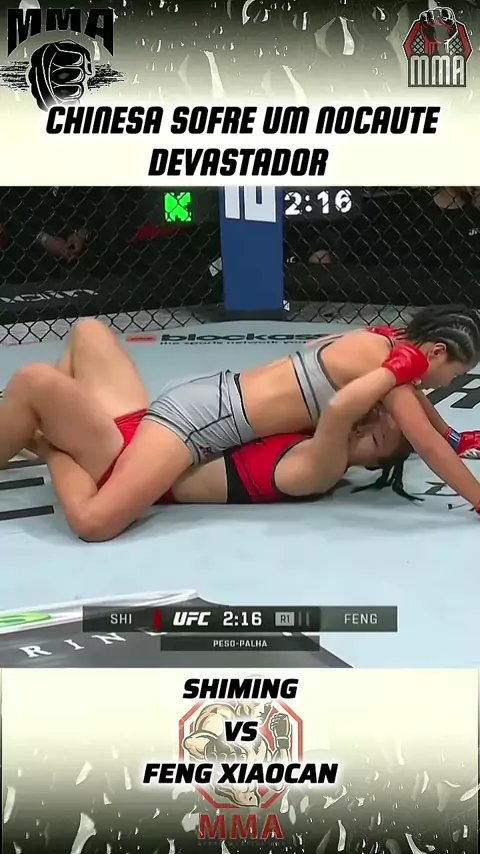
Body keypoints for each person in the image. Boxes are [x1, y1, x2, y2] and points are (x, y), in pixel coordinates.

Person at [2, 308, 476, 541]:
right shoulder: (387, 378)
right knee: (98, 522)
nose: (447, 384)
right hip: (198, 422)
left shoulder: (374, 339)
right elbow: (424, 444)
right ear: (436, 352)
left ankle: (52, 432)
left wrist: (455, 436)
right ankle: (49, 440)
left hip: (200, 402)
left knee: (88, 330)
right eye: (454, 375)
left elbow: (424, 426)